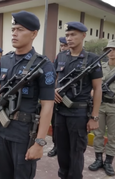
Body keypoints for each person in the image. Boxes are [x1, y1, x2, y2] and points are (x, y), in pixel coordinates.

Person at [0, 11, 55, 179]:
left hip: (24, 133)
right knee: (3, 174)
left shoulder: (43, 64)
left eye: (20, 29)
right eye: (13, 29)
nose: (14, 33)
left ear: (34, 34)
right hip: (2, 129)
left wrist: (40, 142)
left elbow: (48, 105)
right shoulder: (5, 60)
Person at [54, 22, 102, 179]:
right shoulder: (60, 56)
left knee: (76, 151)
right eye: (67, 35)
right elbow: (54, 81)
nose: (69, 38)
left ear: (83, 36)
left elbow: (97, 89)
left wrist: (94, 117)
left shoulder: (92, 59)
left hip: (79, 113)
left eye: (73, 34)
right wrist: (52, 91)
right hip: (60, 112)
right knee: (61, 149)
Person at [88, 39, 115, 176]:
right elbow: (94, 87)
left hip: (114, 106)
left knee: (113, 135)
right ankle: (98, 159)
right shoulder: (100, 67)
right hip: (101, 104)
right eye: (109, 50)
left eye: (114, 50)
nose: (111, 53)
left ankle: (109, 162)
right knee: (98, 133)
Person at [48, 36, 70, 158]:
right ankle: (56, 146)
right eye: (61, 45)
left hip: (70, 97)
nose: (63, 48)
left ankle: (64, 147)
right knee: (55, 124)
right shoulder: (59, 57)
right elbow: (54, 75)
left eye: (65, 45)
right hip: (57, 96)